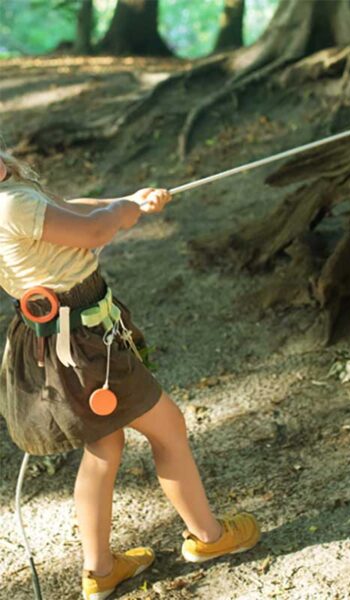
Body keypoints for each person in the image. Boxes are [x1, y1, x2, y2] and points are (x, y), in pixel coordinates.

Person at [0, 148, 260, 600]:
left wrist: (127, 200)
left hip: (70, 332)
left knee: (106, 446)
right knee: (168, 427)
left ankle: (100, 571)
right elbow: (94, 230)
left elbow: (61, 209)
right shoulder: (8, 205)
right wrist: (118, 213)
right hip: (79, 340)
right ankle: (211, 537)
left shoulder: (12, 193)